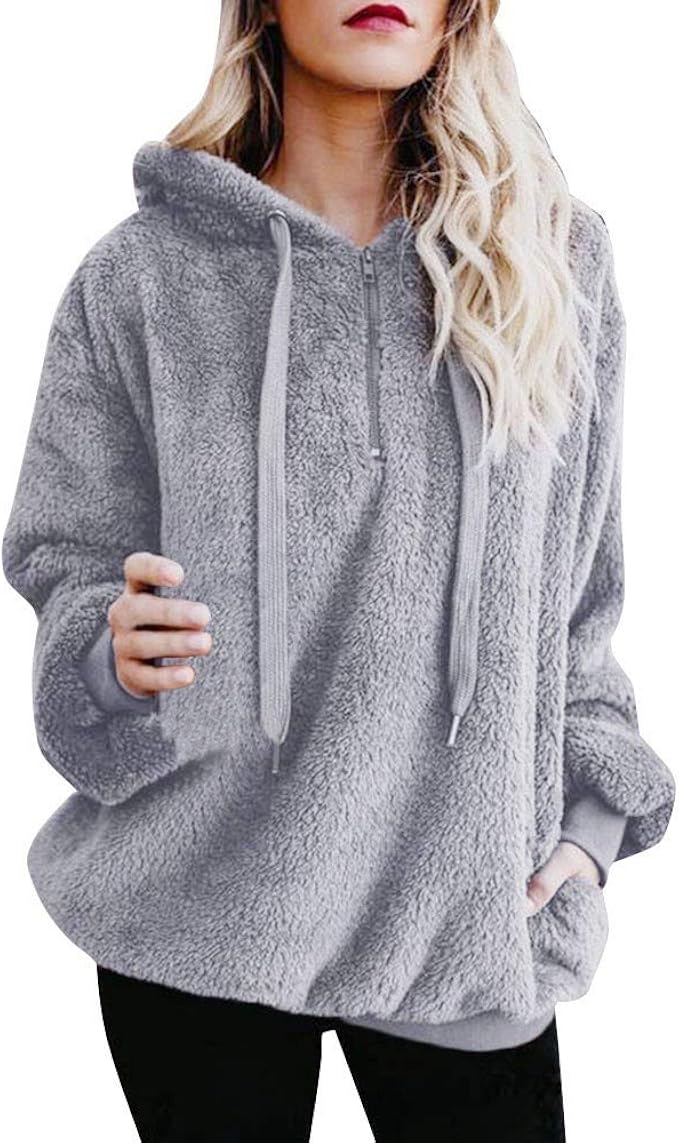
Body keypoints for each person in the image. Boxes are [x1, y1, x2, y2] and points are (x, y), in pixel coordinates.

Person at [3, 2, 675, 1140]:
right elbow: (63, 555)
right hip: (195, 916)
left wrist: (592, 823)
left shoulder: (551, 258)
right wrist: (105, 652)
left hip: (459, 922)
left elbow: (581, 589)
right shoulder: (142, 279)